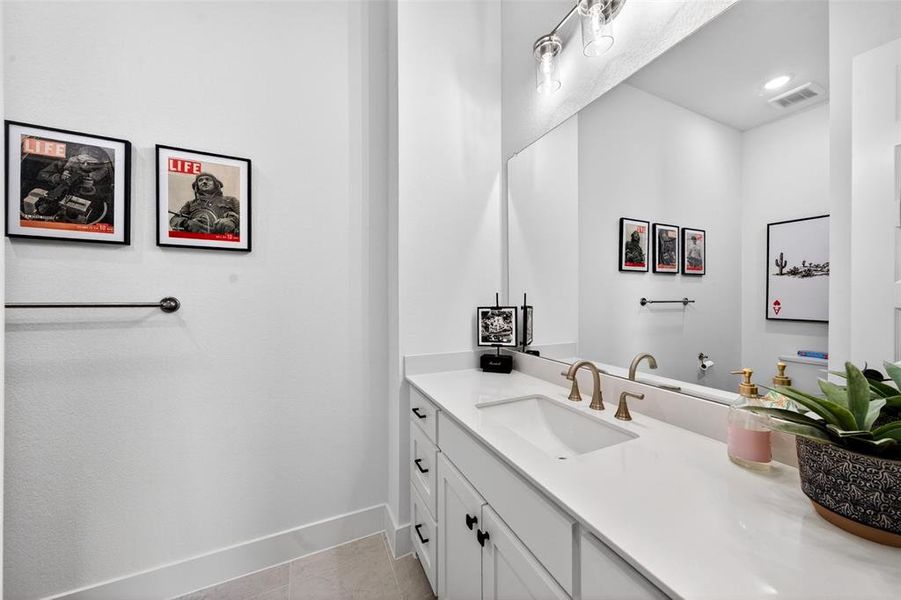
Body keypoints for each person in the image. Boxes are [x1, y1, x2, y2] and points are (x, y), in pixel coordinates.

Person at [169, 172, 240, 235]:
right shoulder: (190, 204)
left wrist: (232, 221)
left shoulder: (231, 200)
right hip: (199, 240)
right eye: (200, 180)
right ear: (197, 185)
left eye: (208, 179)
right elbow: (174, 220)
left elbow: (246, 219)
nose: (204, 182)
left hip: (225, 239)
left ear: (215, 184)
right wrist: (188, 223)